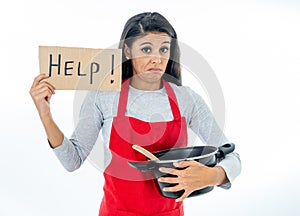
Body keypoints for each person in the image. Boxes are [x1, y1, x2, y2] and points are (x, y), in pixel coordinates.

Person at [30, 12, 241, 216]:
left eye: (164, 50)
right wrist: (45, 116)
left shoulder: (187, 99)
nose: (157, 59)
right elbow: (72, 161)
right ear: (128, 51)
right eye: (147, 49)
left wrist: (213, 175)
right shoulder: (103, 96)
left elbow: (232, 156)